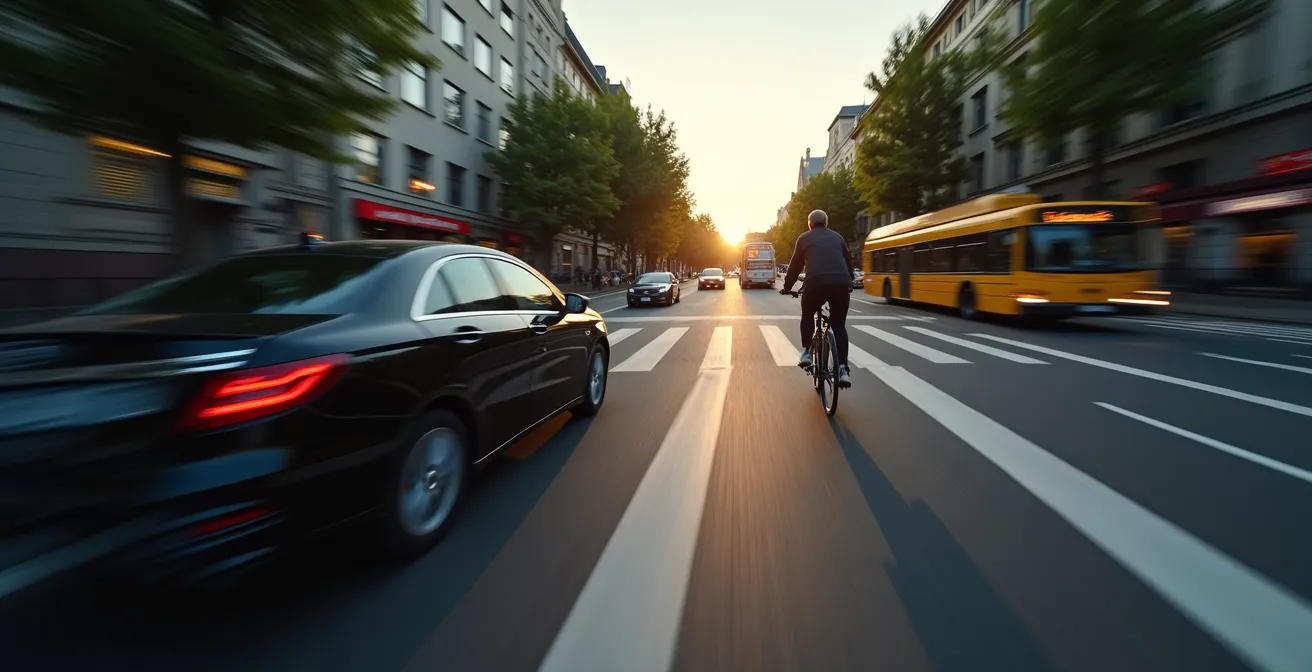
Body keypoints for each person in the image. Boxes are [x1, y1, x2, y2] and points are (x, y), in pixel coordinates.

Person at [779, 209, 854, 387]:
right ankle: (843, 370)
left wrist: (787, 287)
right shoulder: (838, 238)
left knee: (807, 315)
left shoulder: (804, 238)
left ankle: (806, 352)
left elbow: (795, 266)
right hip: (840, 284)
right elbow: (848, 260)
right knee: (839, 326)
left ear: (809, 224)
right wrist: (849, 281)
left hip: (815, 284)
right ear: (826, 223)